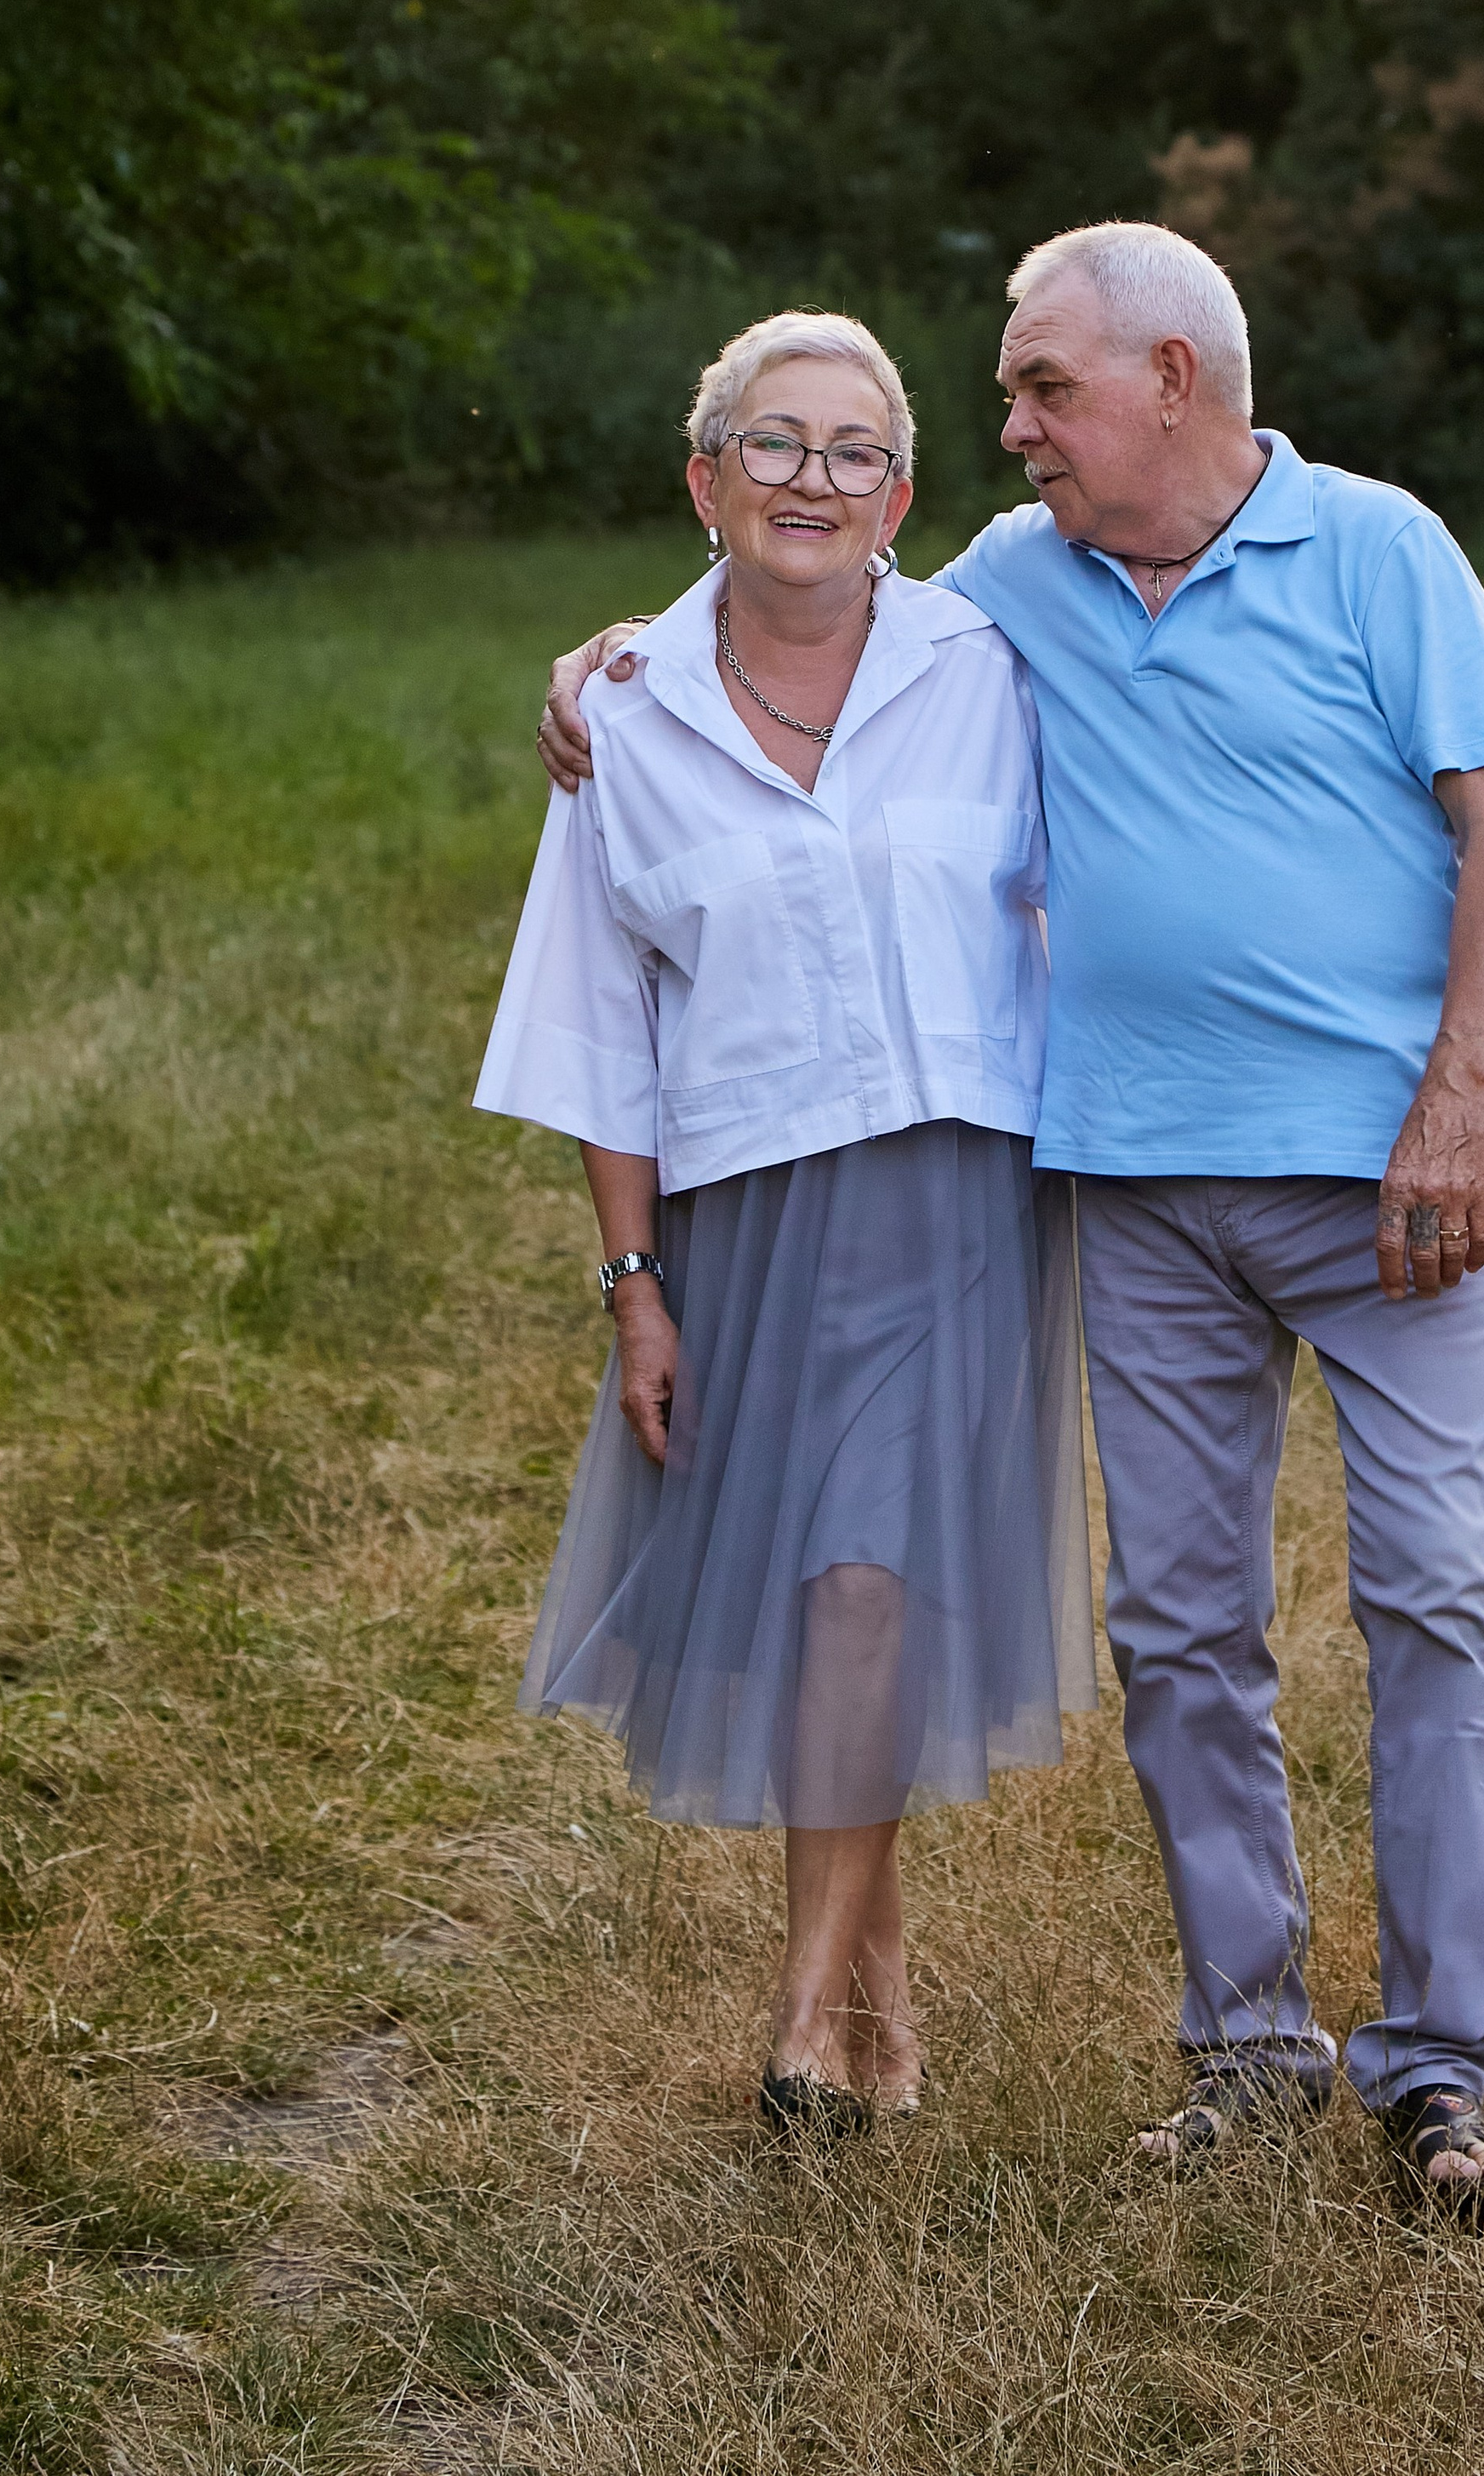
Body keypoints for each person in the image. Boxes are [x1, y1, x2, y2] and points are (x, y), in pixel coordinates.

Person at [540, 225, 1484, 2224]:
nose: (1011, 430)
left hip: (1389, 1183)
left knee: (1434, 1597)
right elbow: (794, 584)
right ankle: (1247, 2049)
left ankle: (1437, 2071)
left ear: (1171, 378)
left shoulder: (1376, 551)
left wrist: (1460, 1095)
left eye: (1041, 391)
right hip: (1137, 1177)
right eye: (1003, 398)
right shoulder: (1013, 586)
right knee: (1179, 1624)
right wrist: (601, 665)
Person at [481, 308, 1093, 2136]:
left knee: (856, 1584)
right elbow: (600, 1033)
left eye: (848, 452)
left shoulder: (991, 661)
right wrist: (632, 1284)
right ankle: (885, 2002)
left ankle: (804, 2017)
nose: (809, 479)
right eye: (772, 442)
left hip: (960, 1186)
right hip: (744, 1208)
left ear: (902, 496)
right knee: (845, 1596)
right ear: (705, 475)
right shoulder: (625, 717)